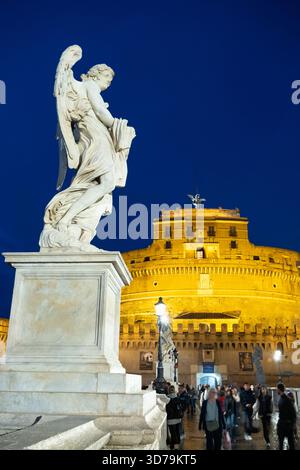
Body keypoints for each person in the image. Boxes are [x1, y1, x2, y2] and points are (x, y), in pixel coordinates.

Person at [277, 383, 296, 450]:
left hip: (287, 425)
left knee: (290, 443)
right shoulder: (282, 399)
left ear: (279, 389)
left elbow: (293, 413)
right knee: (281, 443)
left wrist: (292, 424)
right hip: (282, 424)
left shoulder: (287, 400)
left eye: (277, 389)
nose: (277, 391)